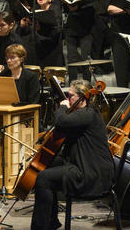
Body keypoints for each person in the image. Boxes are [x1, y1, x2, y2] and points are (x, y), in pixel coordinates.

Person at [30, 80, 114, 230]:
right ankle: (51, 222)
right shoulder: (82, 113)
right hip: (83, 164)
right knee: (47, 165)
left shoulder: (87, 114)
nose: (67, 99)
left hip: (91, 172)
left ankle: (42, 227)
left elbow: (61, 121)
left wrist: (62, 107)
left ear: (82, 97)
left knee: (43, 178)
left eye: (70, 96)